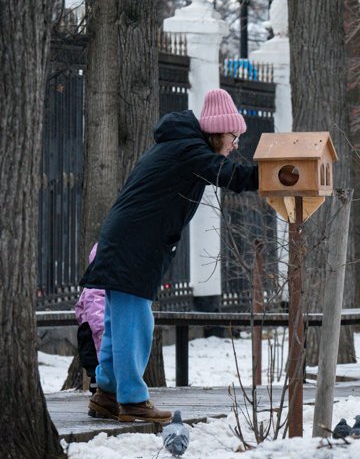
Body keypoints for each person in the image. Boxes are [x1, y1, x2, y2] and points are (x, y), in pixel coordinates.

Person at [79, 89, 259, 423]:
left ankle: (106, 394)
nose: (235, 144)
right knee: (135, 322)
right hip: (134, 245)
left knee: (120, 323)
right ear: (218, 131)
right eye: (234, 136)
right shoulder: (188, 150)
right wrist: (277, 176)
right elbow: (228, 175)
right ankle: (132, 399)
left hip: (129, 241)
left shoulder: (180, 146)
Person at [74, 242, 105, 395]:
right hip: (94, 335)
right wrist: (101, 330)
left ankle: (99, 399)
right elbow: (95, 311)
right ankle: (100, 399)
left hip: (90, 331)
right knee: (99, 372)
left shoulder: (90, 283)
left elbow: (80, 309)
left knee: (97, 373)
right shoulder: (98, 283)